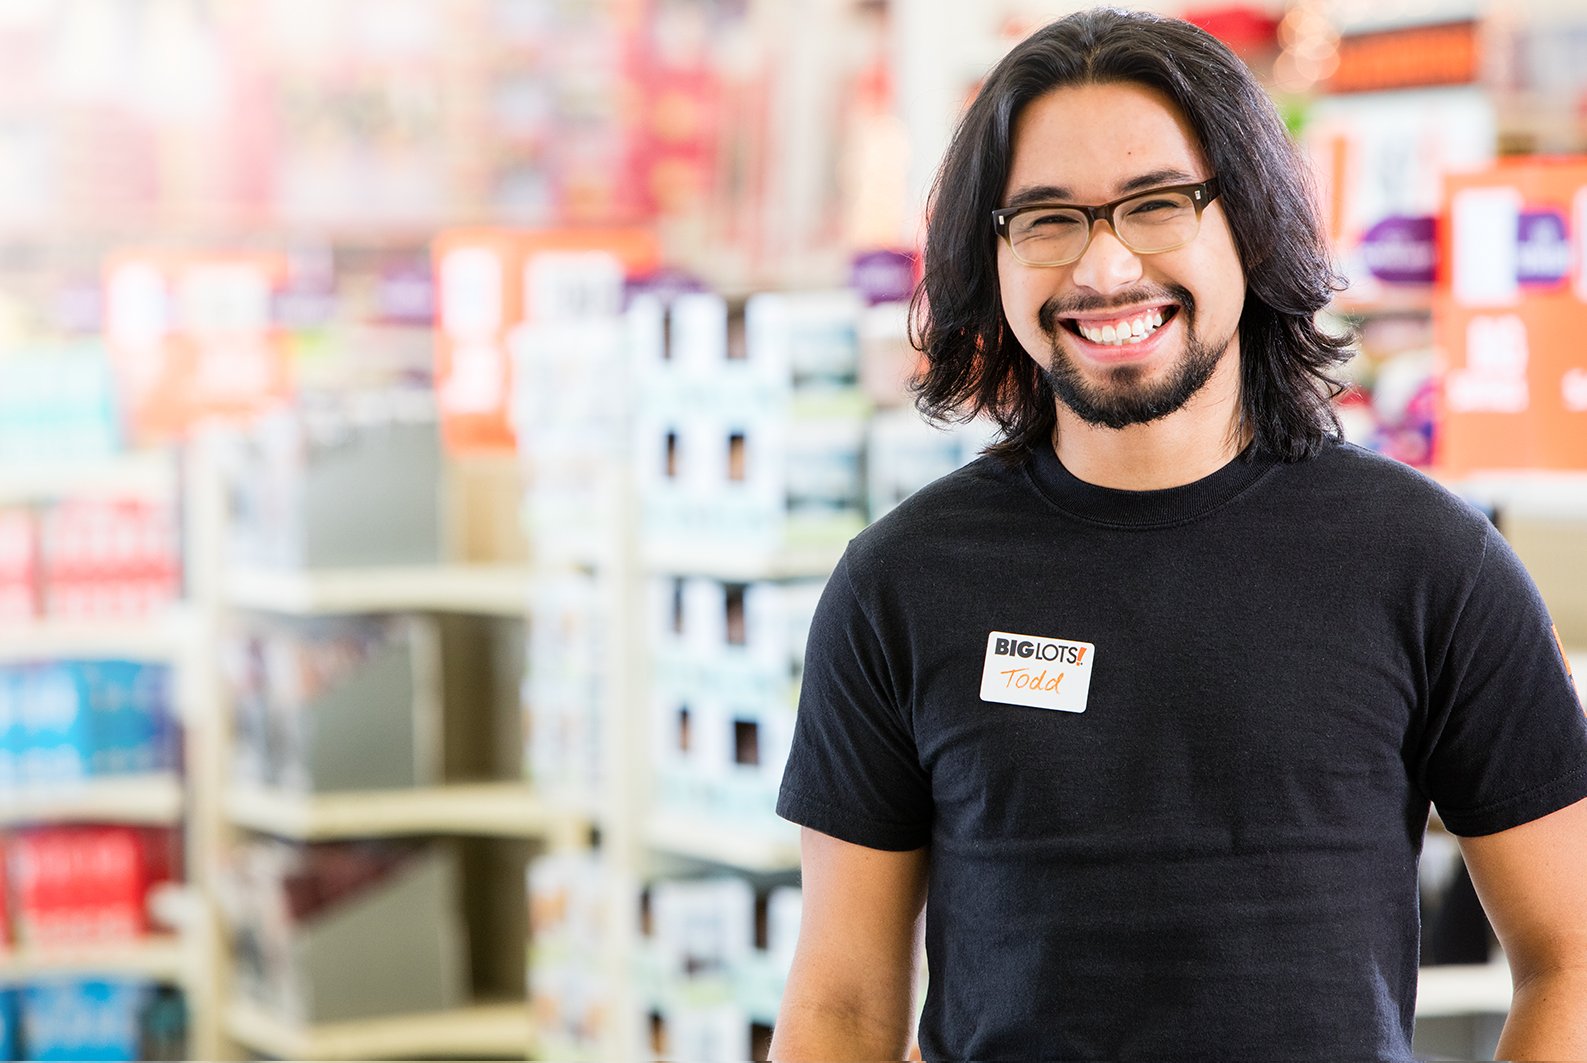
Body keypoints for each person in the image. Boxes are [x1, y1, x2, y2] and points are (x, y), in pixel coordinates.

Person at [770, 8, 1587, 1062]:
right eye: (1048, 219)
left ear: (1248, 220)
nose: (1105, 271)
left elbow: (1570, 952)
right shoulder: (901, 585)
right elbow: (840, 1003)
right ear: (994, 255)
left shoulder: (1432, 563)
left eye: (1157, 204)